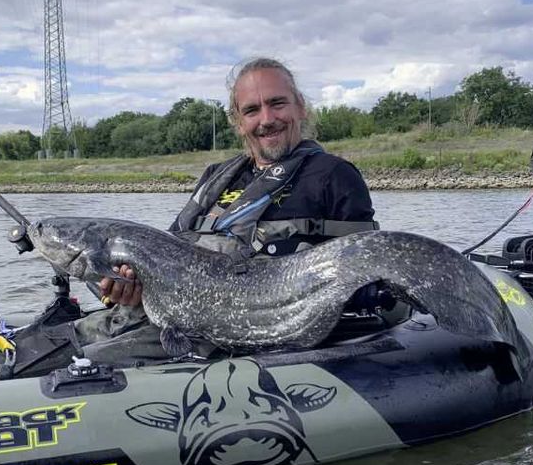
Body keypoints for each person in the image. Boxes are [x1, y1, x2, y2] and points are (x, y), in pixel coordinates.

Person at [76, 57, 379, 364]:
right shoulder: (216, 177)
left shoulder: (333, 175)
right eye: (252, 110)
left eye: (277, 103)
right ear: (238, 122)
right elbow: (167, 254)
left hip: (254, 333)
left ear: (300, 107)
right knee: (61, 349)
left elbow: (365, 265)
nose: (267, 119)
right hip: (178, 321)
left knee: (90, 364)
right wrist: (128, 288)